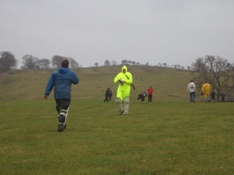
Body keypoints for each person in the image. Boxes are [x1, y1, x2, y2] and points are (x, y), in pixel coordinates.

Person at [44, 59, 79, 132]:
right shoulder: (70, 73)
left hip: (57, 95)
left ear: (61, 65)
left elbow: (50, 83)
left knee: (60, 110)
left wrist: (46, 93)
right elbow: (76, 81)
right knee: (63, 110)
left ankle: (62, 123)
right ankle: (60, 125)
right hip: (66, 94)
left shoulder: (55, 74)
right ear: (68, 65)